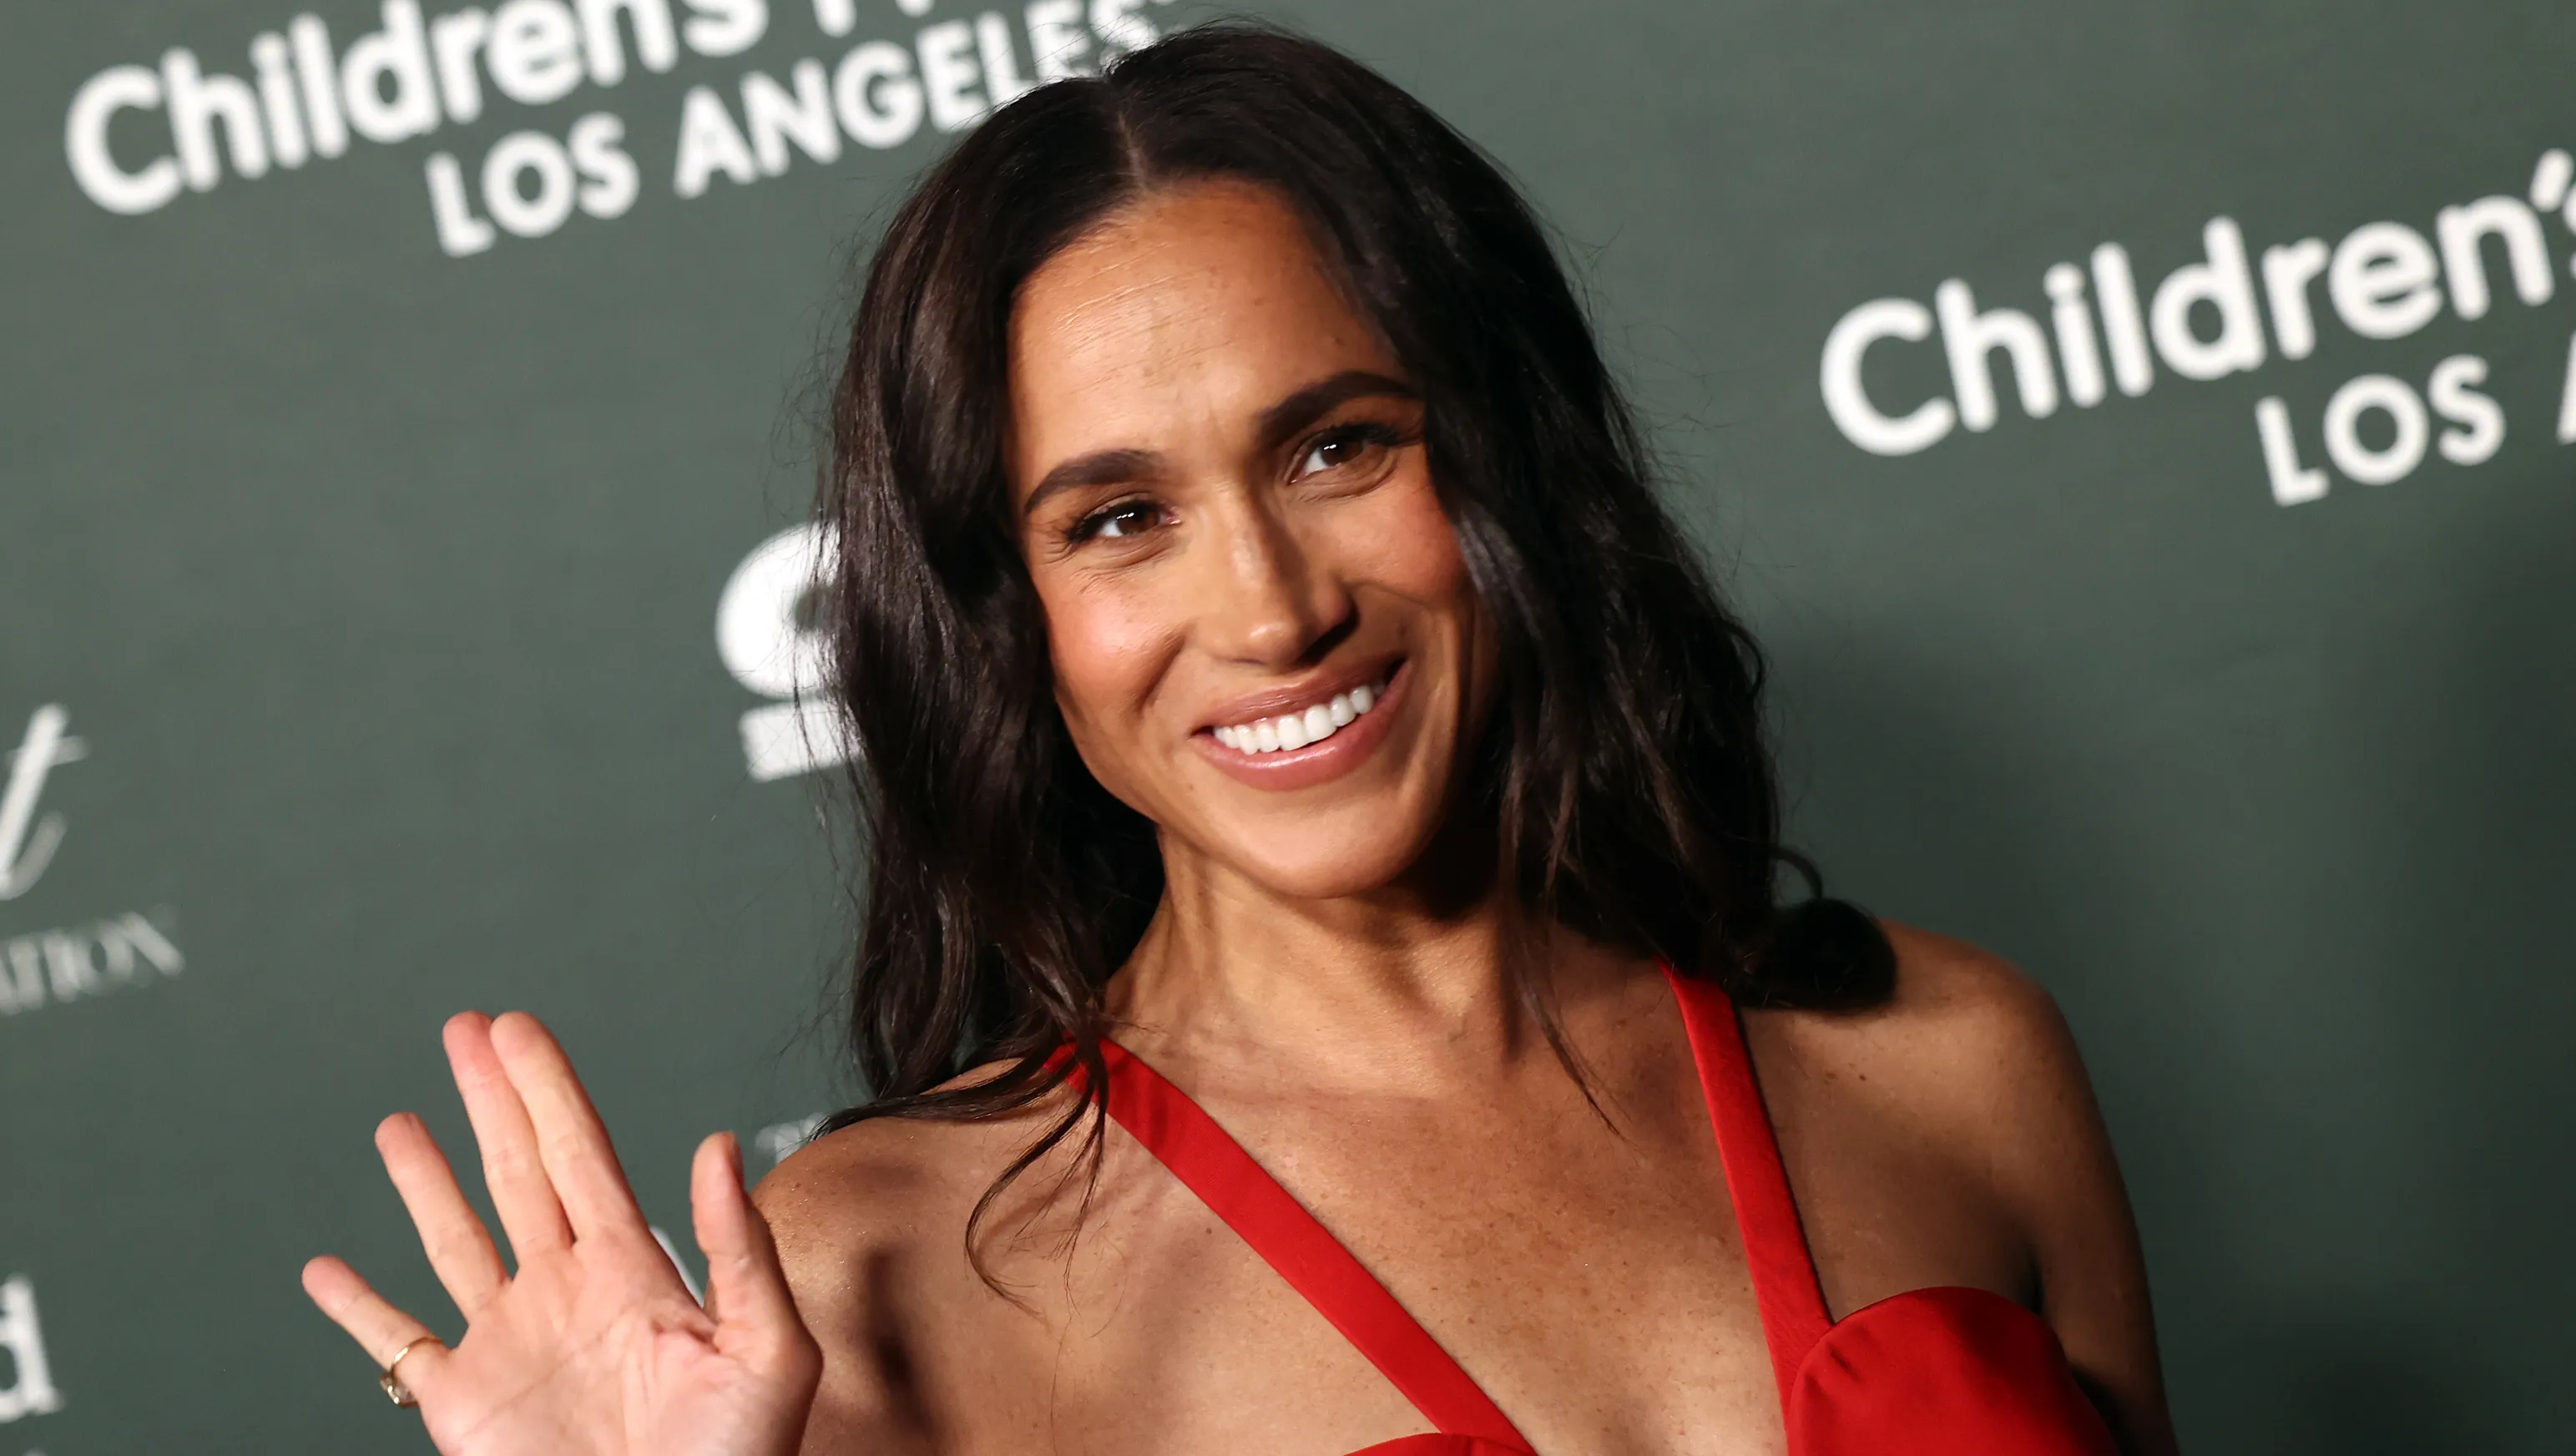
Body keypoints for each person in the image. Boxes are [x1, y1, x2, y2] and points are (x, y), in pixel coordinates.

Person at [301, 25, 2177, 1456]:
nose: (1274, 608)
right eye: (1117, 518)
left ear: (1504, 450)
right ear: (1003, 619)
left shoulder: (1953, 1065)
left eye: (1338, 444)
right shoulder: (884, 1273)